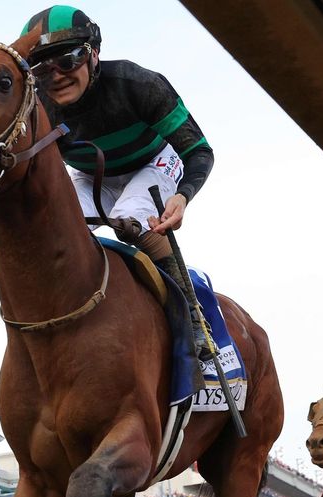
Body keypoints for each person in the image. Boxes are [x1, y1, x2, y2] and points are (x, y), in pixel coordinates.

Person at [22, 5, 215, 361]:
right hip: (91, 174)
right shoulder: (38, 106)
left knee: (129, 216)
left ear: (94, 53)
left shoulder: (139, 83)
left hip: (153, 162)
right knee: (55, 230)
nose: (58, 76)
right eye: (42, 68)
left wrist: (184, 197)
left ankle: (193, 318)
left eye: (69, 59)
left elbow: (199, 151)